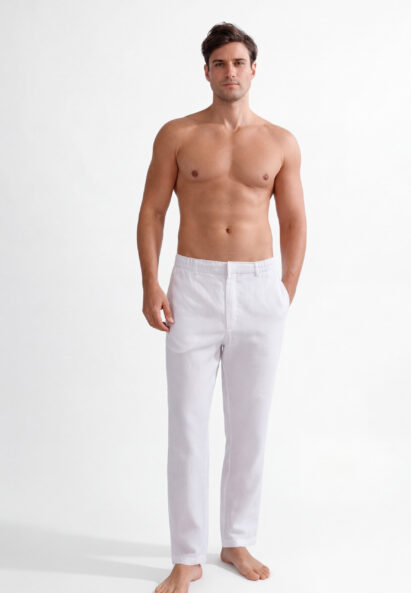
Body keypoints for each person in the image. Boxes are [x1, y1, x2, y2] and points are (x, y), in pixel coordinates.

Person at [137, 21, 306, 593]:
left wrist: (283, 290)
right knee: (187, 425)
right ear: (206, 71)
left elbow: (294, 220)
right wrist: (151, 283)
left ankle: (236, 539)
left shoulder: (280, 141)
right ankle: (187, 556)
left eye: (238, 63)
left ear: (253, 70)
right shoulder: (178, 135)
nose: (229, 72)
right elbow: (152, 211)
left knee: (249, 425)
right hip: (194, 286)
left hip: (259, 288)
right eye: (219, 64)